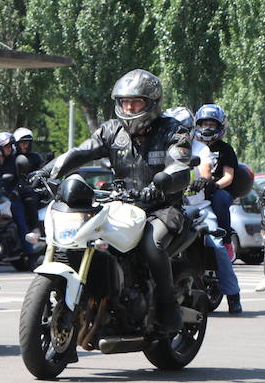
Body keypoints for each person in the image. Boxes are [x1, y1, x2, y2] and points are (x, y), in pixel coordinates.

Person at [44, 69, 193, 332]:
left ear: (152, 103)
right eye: (125, 102)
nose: (129, 107)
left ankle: (168, 307)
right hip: (121, 205)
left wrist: (164, 182)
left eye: (136, 102)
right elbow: (81, 152)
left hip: (162, 208)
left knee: (151, 244)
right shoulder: (112, 131)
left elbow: (180, 165)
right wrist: (48, 170)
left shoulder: (173, 130)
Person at [189, 104, 242, 314]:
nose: (207, 128)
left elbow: (219, 174)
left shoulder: (212, 150)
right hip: (178, 205)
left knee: (218, 244)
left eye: (212, 124)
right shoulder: (171, 149)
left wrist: (210, 183)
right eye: (204, 124)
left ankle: (233, 294)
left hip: (206, 199)